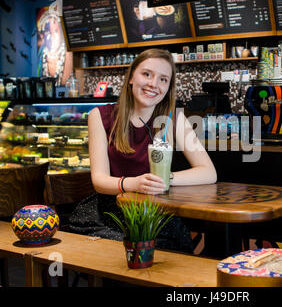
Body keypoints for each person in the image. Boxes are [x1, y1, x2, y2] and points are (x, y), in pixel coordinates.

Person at [69, 49, 217, 253]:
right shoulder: (100, 115)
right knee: (130, 249)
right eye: (146, 74)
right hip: (110, 212)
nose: (153, 84)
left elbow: (208, 172)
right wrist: (135, 184)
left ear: (168, 88)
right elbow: (99, 181)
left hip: (155, 213)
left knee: (167, 252)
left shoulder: (174, 119)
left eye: (163, 79)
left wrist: (164, 179)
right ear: (131, 78)